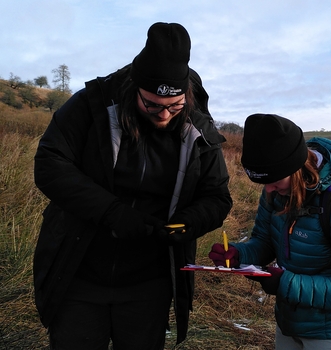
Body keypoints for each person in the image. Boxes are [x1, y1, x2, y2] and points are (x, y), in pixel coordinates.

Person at [33, 22, 232, 349]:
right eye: (152, 105)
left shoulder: (199, 125)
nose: (164, 115)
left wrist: (190, 223)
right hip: (79, 271)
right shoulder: (92, 104)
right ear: (134, 88)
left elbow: (217, 196)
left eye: (174, 106)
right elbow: (50, 164)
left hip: (149, 282)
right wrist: (112, 212)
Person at [209, 114, 331, 350]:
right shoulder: (275, 189)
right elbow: (265, 242)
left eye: (275, 181)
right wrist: (239, 255)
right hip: (289, 325)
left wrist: (285, 284)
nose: (269, 190)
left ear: (296, 167)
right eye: (263, 183)